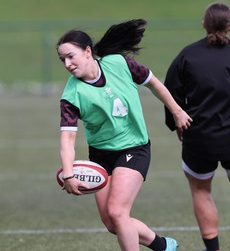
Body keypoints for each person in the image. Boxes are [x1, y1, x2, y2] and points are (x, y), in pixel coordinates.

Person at [57, 19, 192, 251]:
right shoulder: (71, 95)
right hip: (100, 155)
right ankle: (163, 246)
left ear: (88, 51)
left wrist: (177, 111)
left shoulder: (119, 64)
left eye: (71, 56)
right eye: (63, 60)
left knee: (118, 212)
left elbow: (154, 84)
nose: (67, 63)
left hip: (134, 148)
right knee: (111, 223)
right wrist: (68, 174)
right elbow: (67, 139)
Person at [164, 2, 230, 251]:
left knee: (201, 191)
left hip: (198, 137)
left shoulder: (187, 56)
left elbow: (170, 95)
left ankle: (213, 249)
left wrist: (175, 124)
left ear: (204, 24)